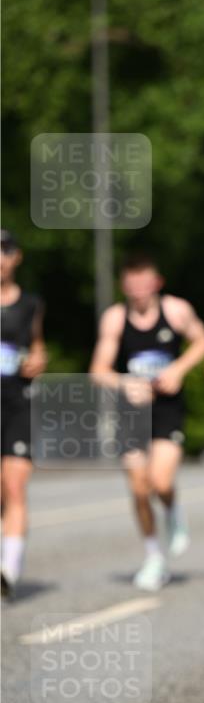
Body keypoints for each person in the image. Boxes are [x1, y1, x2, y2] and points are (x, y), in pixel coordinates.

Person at [90, 254, 204, 592]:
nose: (138, 292)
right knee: (139, 487)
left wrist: (178, 370)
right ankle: (154, 556)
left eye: (143, 285)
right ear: (124, 286)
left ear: (156, 283)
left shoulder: (176, 310)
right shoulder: (115, 318)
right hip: (132, 413)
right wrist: (124, 382)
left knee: (160, 481)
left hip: (168, 409)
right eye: (131, 286)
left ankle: (172, 509)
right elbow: (98, 370)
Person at [1, 230, 47, 597]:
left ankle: (9, 570)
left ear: (16, 258)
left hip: (17, 402)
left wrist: (38, 360)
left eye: (5, 251)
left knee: (15, 485)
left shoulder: (31, 304)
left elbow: (38, 347)